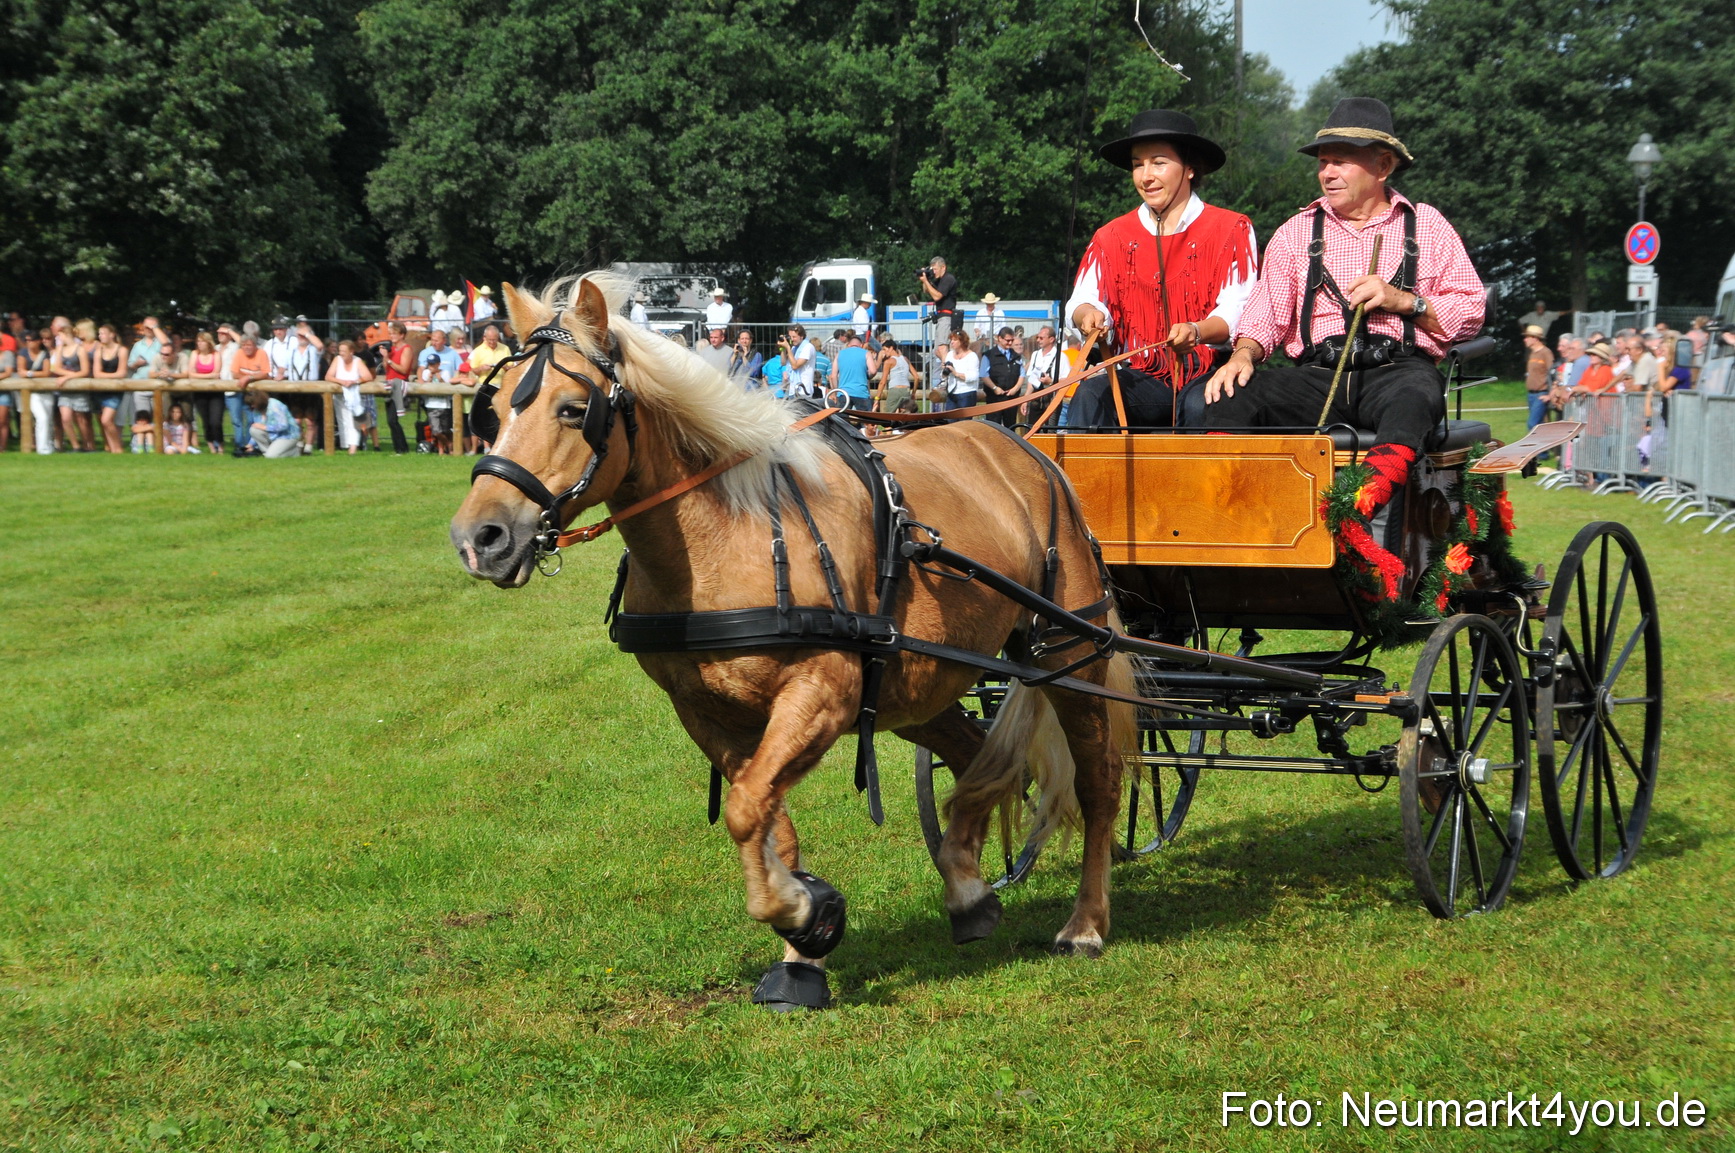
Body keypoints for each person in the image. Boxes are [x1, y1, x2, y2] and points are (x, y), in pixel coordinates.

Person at [1204, 98, 1484, 552]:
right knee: (1229, 395)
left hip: (1396, 371)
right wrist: (1242, 353)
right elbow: (1266, 311)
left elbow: (1471, 309)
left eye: (1340, 161)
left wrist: (1403, 300)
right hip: (1317, 377)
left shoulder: (1426, 226)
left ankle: (1355, 515)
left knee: (1416, 397)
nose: (1326, 172)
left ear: (1384, 165)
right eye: (1322, 162)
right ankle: (1244, 523)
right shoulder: (1297, 231)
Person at [1068, 109, 1257, 429]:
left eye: (1159, 162)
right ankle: (1082, 480)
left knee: (1201, 404)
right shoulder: (1110, 236)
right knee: (1090, 393)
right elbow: (1084, 300)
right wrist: (1088, 315)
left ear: (1190, 168)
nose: (1146, 176)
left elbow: (1238, 311)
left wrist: (1197, 331)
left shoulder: (1231, 228)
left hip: (1209, 371)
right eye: (1137, 165)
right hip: (1142, 375)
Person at [325, 339, 374, 455]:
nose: (341, 353)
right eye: (340, 350)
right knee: (343, 420)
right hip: (340, 396)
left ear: (351, 351)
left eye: (344, 351)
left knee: (355, 421)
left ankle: (353, 447)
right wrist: (341, 381)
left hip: (355, 397)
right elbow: (328, 376)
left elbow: (368, 376)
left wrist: (355, 381)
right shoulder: (337, 360)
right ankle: (346, 445)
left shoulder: (358, 361)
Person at [53, 320, 95, 451]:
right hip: (65, 390)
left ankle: (86, 444)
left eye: (60, 336)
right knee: (65, 418)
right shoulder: (60, 349)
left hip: (79, 389)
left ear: (66, 335)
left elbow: (85, 371)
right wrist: (68, 374)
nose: (59, 339)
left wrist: (67, 376)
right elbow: (56, 368)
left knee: (81, 419)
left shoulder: (80, 349)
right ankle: (75, 445)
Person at [916, 256, 958, 388]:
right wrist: (925, 279)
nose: (933, 272)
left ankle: (946, 374)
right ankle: (947, 366)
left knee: (942, 347)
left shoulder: (948, 279)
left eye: (935, 269)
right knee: (936, 351)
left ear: (943, 267)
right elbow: (926, 290)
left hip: (947, 317)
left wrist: (926, 281)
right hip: (941, 318)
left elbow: (936, 296)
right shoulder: (939, 280)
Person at [90, 322, 131, 452]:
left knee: (106, 420)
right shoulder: (98, 351)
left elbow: (122, 372)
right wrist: (112, 376)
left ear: (112, 335)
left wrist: (105, 376)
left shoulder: (122, 350)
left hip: (115, 391)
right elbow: (96, 373)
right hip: (101, 390)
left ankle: (118, 448)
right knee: (105, 421)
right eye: (99, 334)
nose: (100, 336)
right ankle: (112, 449)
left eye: (103, 333)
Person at [419, 328, 460, 454]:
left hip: (445, 402)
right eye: (432, 340)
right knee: (436, 429)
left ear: (444, 340)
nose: (434, 342)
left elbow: (458, 371)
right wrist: (424, 381)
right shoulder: (425, 353)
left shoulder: (452, 354)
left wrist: (441, 378)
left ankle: (445, 449)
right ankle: (447, 445)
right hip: (431, 402)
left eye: (436, 340)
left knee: (446, 428)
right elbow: (421, 372)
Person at [184, 331, 226, 451]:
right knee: (206, 420)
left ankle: (220, 444)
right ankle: (211, 446)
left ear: (208, 342)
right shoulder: (194, 354)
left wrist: (200, 376)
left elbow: (217, 373)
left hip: (215, 391)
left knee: (216, 421)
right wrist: (209, 376)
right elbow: (191, 374)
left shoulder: (216, 354)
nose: (200, 344)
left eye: (202, 341)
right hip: (199, 392)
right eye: (198, 341)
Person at [379, 321, 415, 453]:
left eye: (394, 333)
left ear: (402, 335)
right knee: (390, 420)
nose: (391, 336)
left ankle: (402, 448)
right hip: (389, 383)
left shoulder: (406, 349)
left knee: (392, 420)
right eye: (390, 334)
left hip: (399, 384)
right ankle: (399, 448)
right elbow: (385, 367)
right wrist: (386, 357)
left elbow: (404, 369)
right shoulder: (392, 349)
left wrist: (388, 360)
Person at [19, 332, 57, 453]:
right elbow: (20, 371)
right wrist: (33, 374)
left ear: (38, 341)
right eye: (27, 340)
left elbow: (47, 373)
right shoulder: (23, 353)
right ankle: (43, 449)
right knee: (42, 418)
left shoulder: (44, 354)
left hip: (46, 391)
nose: (29, 343)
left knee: (49, 420)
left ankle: (50, 446)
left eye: (31, 340)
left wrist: (30, 373)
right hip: (32, 393)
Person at [980, 326, 1024, 428]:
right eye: (1007, 340)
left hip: (1011, 398)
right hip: (994, 398)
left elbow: (1022, 374)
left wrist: (1015, 389)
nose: (1010, 343)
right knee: (993, 428)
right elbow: (984, 375)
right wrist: (995, 388)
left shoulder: (1016, 356)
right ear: (1000, 338)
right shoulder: (989, 355)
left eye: (1012, 340)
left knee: (1011, 427)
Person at [241, 387, 301, 457]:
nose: (252, 406)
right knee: (253, 429)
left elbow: (284, 426)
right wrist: (250, 444)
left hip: (288, 436)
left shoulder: (275, 405)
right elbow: (258, 429)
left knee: (271, 456)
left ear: (259, 401)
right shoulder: (256, 410)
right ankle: (267, 452)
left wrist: (265, 427)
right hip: (273, 437)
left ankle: (293, 451)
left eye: (253, 403)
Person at [1023, 325, 1063, 424]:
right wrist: (1025, 400)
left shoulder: (1060, 356)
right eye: (1037, 337)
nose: (1038, 340)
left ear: (1051, 339)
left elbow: (1066, 380)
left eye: (1041, 338)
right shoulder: (1035, 355)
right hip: (1036, 401)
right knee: (1032, 431)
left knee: (1050, 432)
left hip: (1052, 400)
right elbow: (1031, 381)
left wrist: (1051, 382)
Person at [828, 330, 876, 410]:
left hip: (843, 393)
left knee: (842, 421)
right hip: (861, 393)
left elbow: (833, 376)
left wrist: (837, 392)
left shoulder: (839, 354)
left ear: (848, 345)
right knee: (865, 420)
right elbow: (873, 371)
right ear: (861, 345)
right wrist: (867, 376)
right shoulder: (866, 353)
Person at [938, 329, 980, 411]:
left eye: (955, 340)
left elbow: (974, 376)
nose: (951, 342)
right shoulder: (950, 355)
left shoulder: (972, 356)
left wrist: (956, 373)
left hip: (967, 393)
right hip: (952, 393)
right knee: (950, 421)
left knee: (964, 422)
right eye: (951, 340)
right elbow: (944, 375)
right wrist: (944, 370)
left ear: (962, 341)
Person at [1522, 323, 1554, 429]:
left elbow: (1553, 374)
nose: (1525, 340)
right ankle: (1546, 445)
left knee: (1532, 424)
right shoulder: (1532, 353)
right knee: (1539, 425)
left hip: (1541, 394)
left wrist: (1550, 395)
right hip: (1531, 395)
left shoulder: (1546, 353)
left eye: (1527, 337)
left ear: (1535, 338)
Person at [875, 337, 913, 412]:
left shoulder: (889, 361)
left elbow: (883, 382)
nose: (884, 353)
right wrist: (914, 392)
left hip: (895, 390)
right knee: (905, 416)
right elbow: (916, 377)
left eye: (885, 349)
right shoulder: (905, 359)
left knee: (890, 416)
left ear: (891, 348)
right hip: (906, 390)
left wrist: (877, 399)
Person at [778, 325, 816, 398]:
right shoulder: (794, 348)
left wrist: (788, 348)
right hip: (793, 389)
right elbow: (783, 362)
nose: (791, 339)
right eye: (790, 337)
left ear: (801, 336)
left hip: (803, 390)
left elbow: (795, 366)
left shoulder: (808, 347)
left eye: (794, 337)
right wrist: (783, 349)